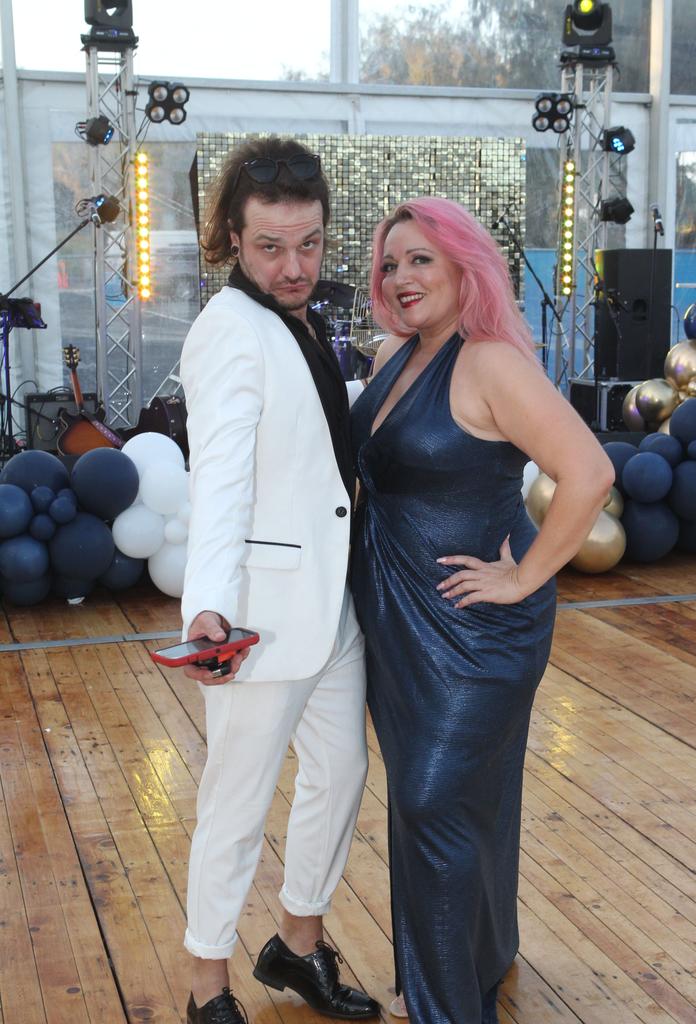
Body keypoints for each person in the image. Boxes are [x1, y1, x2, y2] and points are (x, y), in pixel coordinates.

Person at [348, 197, 614, 1024]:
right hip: (398, 622)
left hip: (474, 630)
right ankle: (477, 956)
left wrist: (525, 576)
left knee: (432, 800)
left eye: (422, 259)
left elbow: (590, 472)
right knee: (460, 798)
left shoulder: (491, 361)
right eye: (391, 264)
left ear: (466, 266)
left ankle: (445, 1004)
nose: (402, 277)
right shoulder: (401, 355)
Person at [179, 136, 379, 1024]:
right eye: (271, 247)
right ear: (229, 236)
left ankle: (297, 946)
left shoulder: (293, 318)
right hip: (259, 614)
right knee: (237, 797)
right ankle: (206, 989)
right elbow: (217, 481)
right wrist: (210, 611)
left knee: (340, 774)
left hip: (329, 604)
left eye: (309, 244)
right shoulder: (229, 331)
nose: (294, 266)